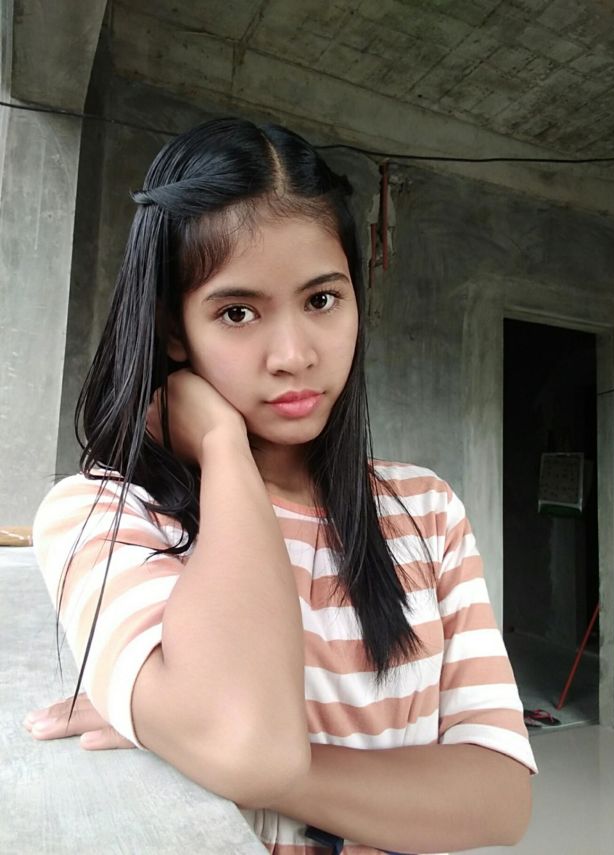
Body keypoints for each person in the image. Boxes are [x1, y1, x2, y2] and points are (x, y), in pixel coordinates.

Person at [24, 117, 536, 854]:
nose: (294, 355)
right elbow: (253, 749)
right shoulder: (103, 513)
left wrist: (200, 742)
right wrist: (223, 450)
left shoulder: (425, 509)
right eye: (237, 312)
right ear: (174, 330)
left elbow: (500, 799)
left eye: (322, 300)